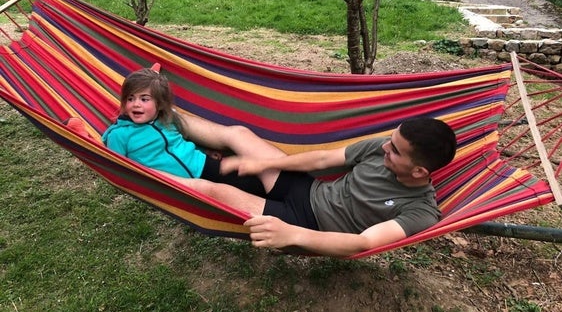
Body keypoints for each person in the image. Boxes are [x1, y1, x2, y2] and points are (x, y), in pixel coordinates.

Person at [164, 117, 457, 257]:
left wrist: (291, 233)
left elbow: (364, 243)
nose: (384, 147)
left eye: (394, 150)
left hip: (310, 224)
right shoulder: (381, 149)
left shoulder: (421, 211)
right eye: (390, 141)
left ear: (419, 171)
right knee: (240, 135)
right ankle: (161, 112)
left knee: (218, 193)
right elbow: (322, 158)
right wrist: (260, 164)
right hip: (309, 191)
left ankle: (142, 174)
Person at [102, 67, 286, 196]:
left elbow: (178, 142)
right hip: (185, 184)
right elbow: (116, 166)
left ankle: (289, 185)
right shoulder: (120, 134)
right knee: (237, 192)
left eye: (144, 99)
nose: (136, 104)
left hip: (202, 163)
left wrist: (203, 150)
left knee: (251, 178)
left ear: (158, 105)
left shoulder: (165, 119)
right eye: (130, 98)